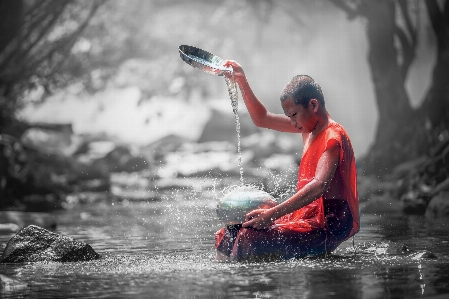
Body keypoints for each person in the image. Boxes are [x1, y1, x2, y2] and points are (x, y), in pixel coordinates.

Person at [214, 60, 360, 262]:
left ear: (313, 105)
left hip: (327, 225)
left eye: (293, 115)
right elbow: (262, 119)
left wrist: (272, 214)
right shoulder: (308, 126)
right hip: (306, 216)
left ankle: (253, 288)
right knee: (229, 232)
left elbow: (319, 186)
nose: (292, 123)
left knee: (248, 237)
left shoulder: (332, 136)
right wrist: (241, 80)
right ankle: (229, 285)